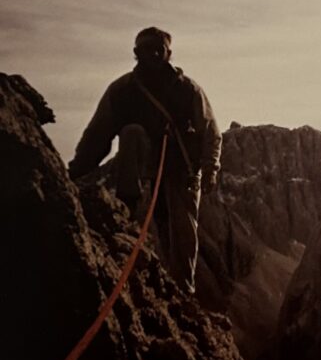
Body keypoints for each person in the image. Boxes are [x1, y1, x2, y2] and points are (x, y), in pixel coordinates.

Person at [69, 27, 222, 294]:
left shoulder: (187, 90)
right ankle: (128, 203)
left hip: (182, 167)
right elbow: (97, 136)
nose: (153, 55)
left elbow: (210, 131)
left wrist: (209, 168)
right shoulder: (122, 91)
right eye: (147, 49)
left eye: (158, 50)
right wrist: (75, 172)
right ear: (136, 53)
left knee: (182, 230)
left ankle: (184, 290)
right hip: (148, 165)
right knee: (132, 134)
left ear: (169, 53)